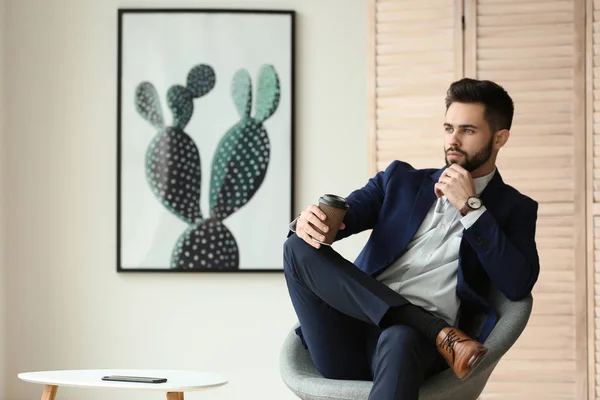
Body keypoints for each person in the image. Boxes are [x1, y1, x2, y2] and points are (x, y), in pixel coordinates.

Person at [282, 78, 540, 400]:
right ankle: (435, 329)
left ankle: (425, 328)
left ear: (500, 138)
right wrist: (312, 222)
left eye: (468, 131)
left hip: (412, 348)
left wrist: (470, 208)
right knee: (296, 246)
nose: (454, 140)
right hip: (345, 334)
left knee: (401, 335)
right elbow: (345, 217)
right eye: (448, 128)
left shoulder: (514, 208)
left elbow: (517, 284)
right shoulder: (400, 180)